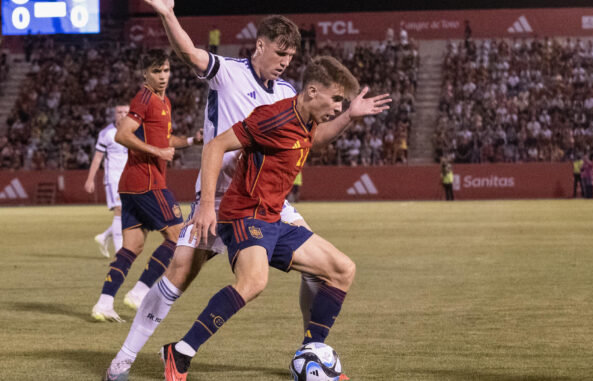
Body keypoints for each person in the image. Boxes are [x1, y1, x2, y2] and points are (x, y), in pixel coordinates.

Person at [103, 2, 387, 379]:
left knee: (326, 269)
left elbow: (311, 139)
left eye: (291, 55)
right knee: (179, 273)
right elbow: (188, 52)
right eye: (280, 52)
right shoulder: (229, 73)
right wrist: (167, 15)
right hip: (220, 197)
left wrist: (349, 114)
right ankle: (124, 358)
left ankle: (311, 352)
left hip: (269, 198)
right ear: (259, 46)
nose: (285, 62)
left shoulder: (287, 92)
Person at [161, 55, 391, 380]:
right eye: (336, 99)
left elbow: (318, 140)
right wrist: (206, 206)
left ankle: (310, 354)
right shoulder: (272, 118)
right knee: (254, 282)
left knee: (342, 270)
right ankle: (180, 353)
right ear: (312, 91)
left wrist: (351, 116)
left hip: (272, 218)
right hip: (243, 214)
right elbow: (214, 146)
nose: (339, 106)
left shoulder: (308, 120)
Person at [91, 49, 202, 323]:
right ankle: (140, 292)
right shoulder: (143, 98)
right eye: (156, 71)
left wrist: (190, 141)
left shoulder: (164, 101)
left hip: (131, 185)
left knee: (132, 247)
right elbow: (121, 134)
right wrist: (156, 151)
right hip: (147, 183)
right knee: (178, 237)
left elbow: (165, 140)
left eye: (165, 70)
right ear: (145, 74)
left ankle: (104, 303)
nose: (163, 76)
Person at [84, 103, 130, 258]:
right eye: (119, 112)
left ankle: (104, 237)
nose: (122, 115)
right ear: (114, 114)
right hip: (113, 179)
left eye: (125, 112)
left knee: (132, 215)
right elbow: (97, 158)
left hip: (130, 178)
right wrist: (90, 179)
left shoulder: (134, 131)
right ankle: (120, 253)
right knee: (119, 209)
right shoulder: (106, 133)